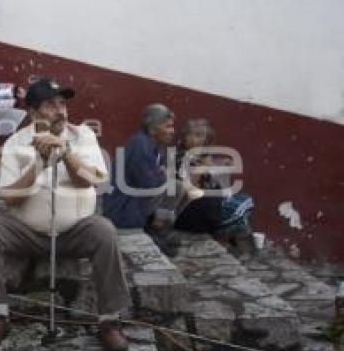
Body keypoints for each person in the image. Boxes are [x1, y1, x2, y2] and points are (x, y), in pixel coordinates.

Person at [0, 78, 132, 351]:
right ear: (32, 113)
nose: (60, 110)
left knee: (104, 230)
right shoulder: (15, 143)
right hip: (27, 232)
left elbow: (93, 180)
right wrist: (39, 164)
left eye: (62, 103)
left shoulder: (83, 136)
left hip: (76, 230)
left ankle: (109, 321)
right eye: (50, 104)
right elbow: (9, 197)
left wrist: (65, 153)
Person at [102, 103, 196, 256]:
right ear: (152, 129)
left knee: (179, 187)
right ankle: (155, 227)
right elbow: (148, 185)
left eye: (172, 127)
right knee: (176, 187)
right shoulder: (140, 145)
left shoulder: (153, 146)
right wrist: (163, 175)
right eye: (167, 127)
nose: (172, 131)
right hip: (122, 210)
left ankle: (158, 227)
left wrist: (163, 175)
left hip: (135, 204)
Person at [174, 118, 255, 254]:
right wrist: (204, 169)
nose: (196, 139)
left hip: (205, 210)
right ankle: (225, 241)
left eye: (200, 136)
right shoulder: (181, 158)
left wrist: (218, 163)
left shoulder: (200, 157)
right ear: (184, 137)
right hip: (189, 215)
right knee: (239, 208)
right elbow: (187, 191)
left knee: (243, 202)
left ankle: (235, 245)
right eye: (192, 135)